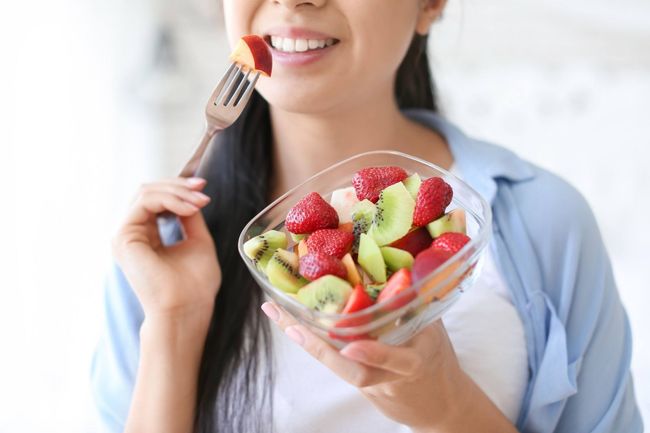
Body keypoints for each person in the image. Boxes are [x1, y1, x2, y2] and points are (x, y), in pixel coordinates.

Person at [91, 1, 643, 432]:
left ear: (431, 3)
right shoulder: (161, 253)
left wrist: (447, 407)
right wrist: (177, 321)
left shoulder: (544, 222)